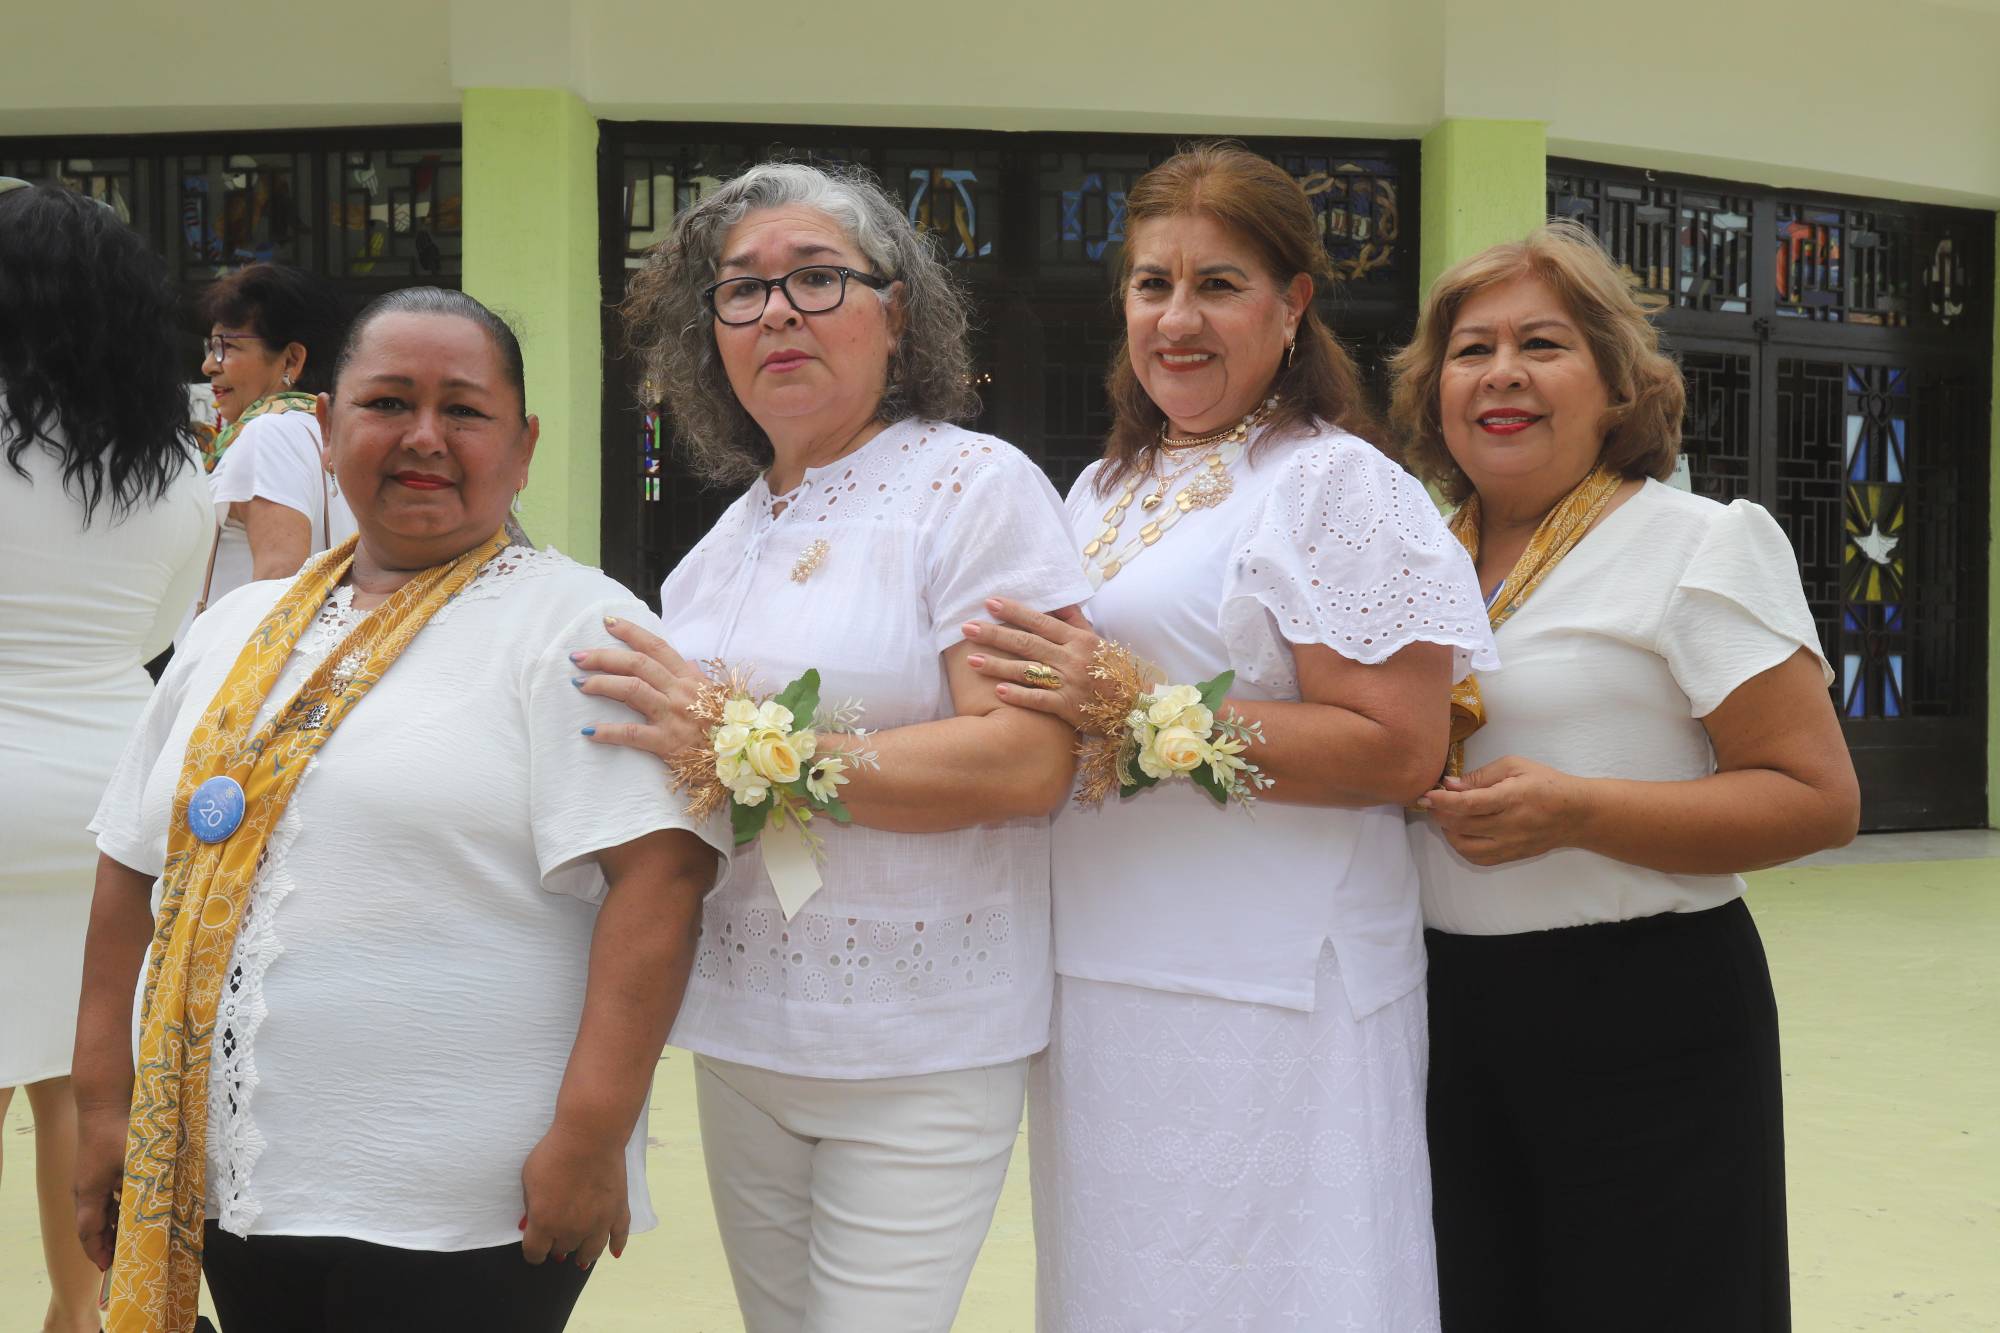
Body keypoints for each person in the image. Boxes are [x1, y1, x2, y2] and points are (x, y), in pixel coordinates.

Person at [73, 288, 728, 1333]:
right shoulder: (231, 629)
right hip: (234, 1181)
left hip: (467, 1202)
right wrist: (106, 1112)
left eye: (463, 411)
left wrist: (593, 1131)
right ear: (328, 430)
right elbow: (128, 871)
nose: (424, 437)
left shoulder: (574, 624)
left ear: (522, 446)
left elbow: (660, 879)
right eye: (388, 402)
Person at [959, 143, 1495, 1332]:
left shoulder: (1333, 485)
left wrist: (1144, 708)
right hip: (1102, 980)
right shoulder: (1099, 490)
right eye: (1153, 285)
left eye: (1217, 284)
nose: (1176, 318)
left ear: (1293, 303)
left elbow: (1396, 750)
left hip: (1272, 994)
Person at [576, 161, 1090, 1331]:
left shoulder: (970, 488)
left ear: (896, 309)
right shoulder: (719, 547)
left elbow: (1024, 762)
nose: (778, 315)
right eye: (742, 291)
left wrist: (755, 751)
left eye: (817, 278)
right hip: (745, 1024)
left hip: (919, 1036)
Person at [1389, 221, 1860, 1332]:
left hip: (1644, 1015)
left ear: (1613, 385)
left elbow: (1816, 796)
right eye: (1469, 349)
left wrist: (1577, 810)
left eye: (1540, 344)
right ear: (1434, 391)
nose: (1499, 371)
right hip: (1437, 1016)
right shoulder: (1409, 565)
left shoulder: (1695, 543)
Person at [0, 182, 212, 1333]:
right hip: (106, 790)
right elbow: (155, 638)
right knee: (85, 1082)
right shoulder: (172, 471)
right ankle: (78, 1321)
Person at [180, 263, 355, 641]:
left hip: (246, 678)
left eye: (227, 347)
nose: (208, 365)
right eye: (210, 347)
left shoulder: (270, 433)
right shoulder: (334, 432)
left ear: (291, 360)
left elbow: (279, 583)